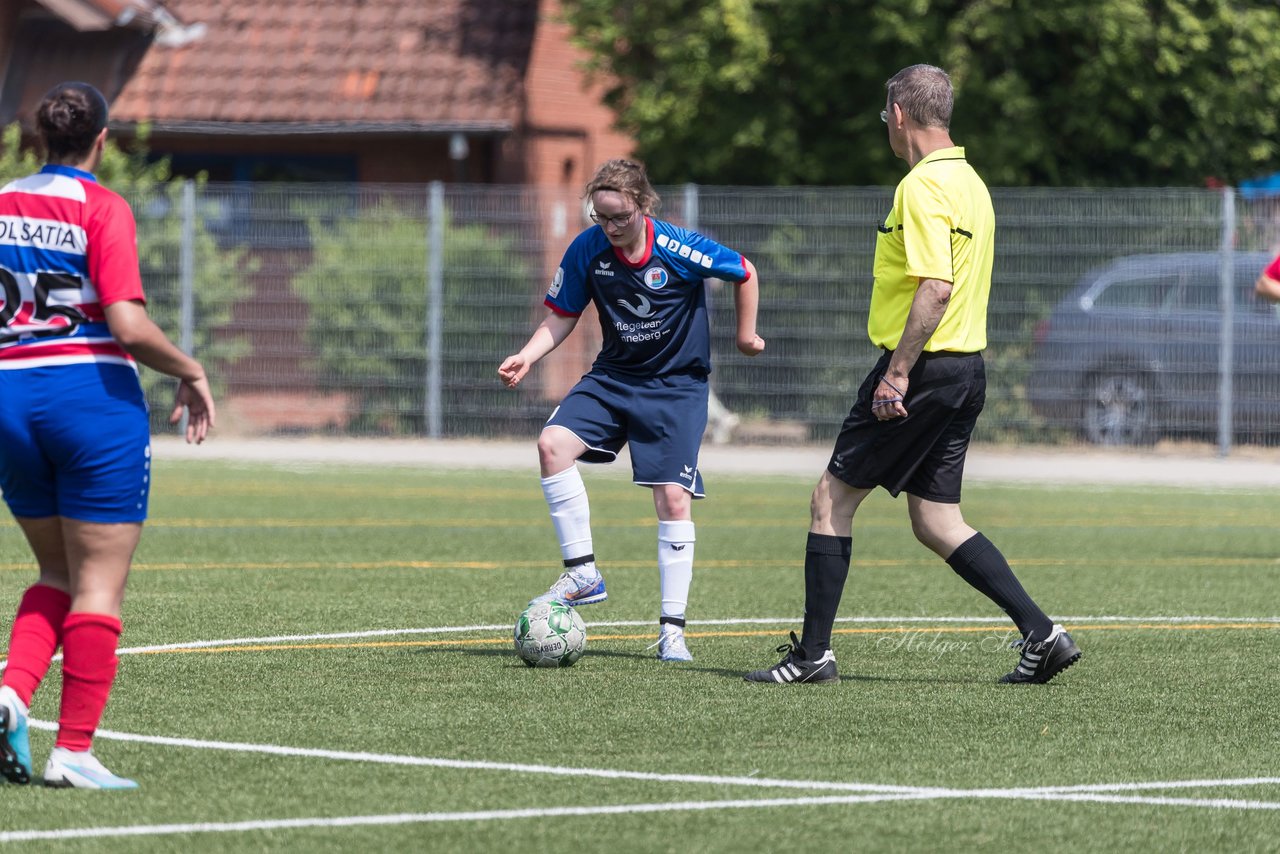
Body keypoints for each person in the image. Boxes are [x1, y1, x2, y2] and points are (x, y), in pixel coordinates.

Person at [744, 65, 1079, 686]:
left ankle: (812, 656)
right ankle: (1043, 634)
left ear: (899, 113)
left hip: (922, 368)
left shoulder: (922, 187)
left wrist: (896, 373)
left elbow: (935, 286)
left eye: (884, 118)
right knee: (936, 519)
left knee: (830, 499)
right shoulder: (972, 182)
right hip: (964, 370)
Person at [0, 82, 215, 788]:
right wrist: (190, 369)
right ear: (101, 139)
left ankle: (8, 696)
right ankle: (74, 753)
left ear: (38, 139)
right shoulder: (101, 206)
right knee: (97, 584)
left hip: (9, 397)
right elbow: (125, 323)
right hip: (87, 400)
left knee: (55, 573)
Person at [499, 158, 764, 661]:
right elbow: (561, 316)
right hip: (614, 378)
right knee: (551, 444)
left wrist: (746, 336)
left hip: (676, 387)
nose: (611, 227)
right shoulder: (588, 249)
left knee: (672, 497)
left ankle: (672, 632)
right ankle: (583, 573)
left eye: (620, 216)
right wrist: (527, 356)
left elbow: (744, 271)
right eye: (601, 217)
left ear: (643, 205)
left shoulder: (679, 248)